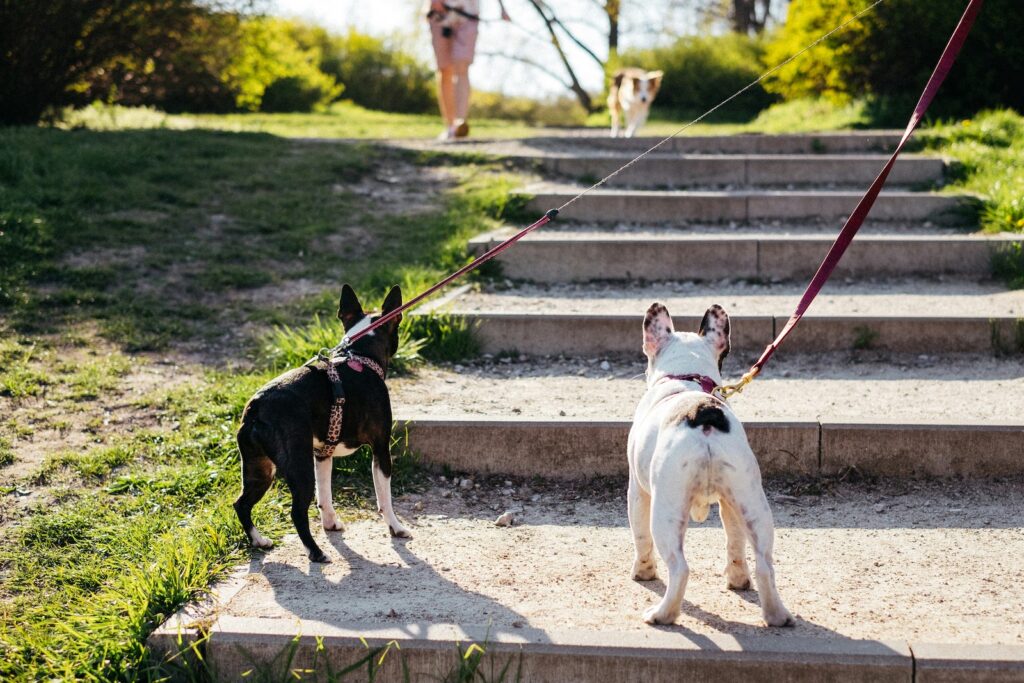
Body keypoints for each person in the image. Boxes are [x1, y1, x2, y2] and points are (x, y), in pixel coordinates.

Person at [425, 0, 510, 140]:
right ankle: (450, 125)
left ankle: (460, 122)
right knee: (445, 70)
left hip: (468, 14)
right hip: (440, 12)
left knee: (461, 67)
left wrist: (502, 8)